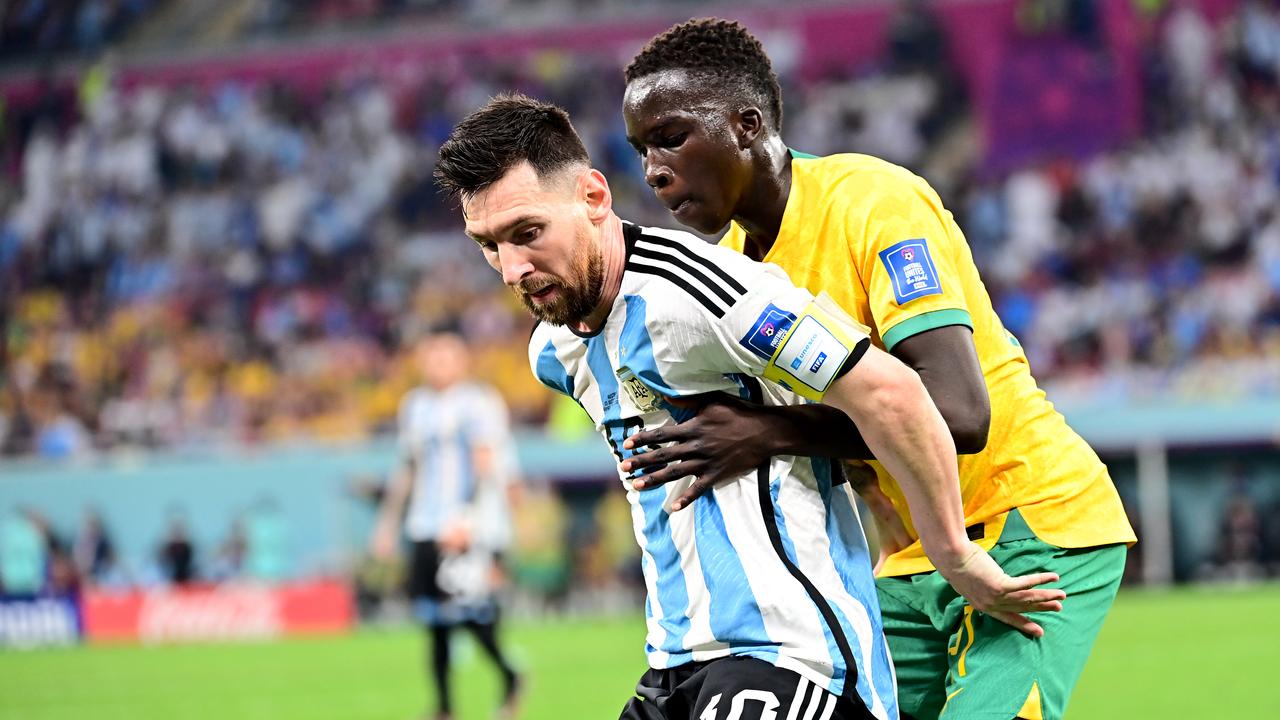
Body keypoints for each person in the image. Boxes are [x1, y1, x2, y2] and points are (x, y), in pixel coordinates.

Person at [434, 94, 1063, 720]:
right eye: (488, 245)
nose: (512, 267)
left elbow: (894, 393)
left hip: (793, 656)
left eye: (528, 233)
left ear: (594, 198)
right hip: (675, 662)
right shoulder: (555, 351)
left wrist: (953, 555)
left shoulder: (702, 291)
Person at [619, 18, 1136, 720]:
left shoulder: (872, 202)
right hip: (905, 559)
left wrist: (768, 431)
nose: (653, 169)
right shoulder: (733, 269)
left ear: (746, 125)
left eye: (671, 137)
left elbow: (958, 414)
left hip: (1029, 523)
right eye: (642, 149)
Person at [371, 332, 522, 720]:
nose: (437, 364)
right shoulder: (415, 405)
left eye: (446, 356)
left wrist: (466, 519)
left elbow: (485, 462)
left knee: (470, 613)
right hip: (424, 523)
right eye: (431, 357)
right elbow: (407, 467)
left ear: (462, 361)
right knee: (432, 619)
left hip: (464, 528)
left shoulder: (478, 402)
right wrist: (388, 524)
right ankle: (443, 708)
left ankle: (509, 675)